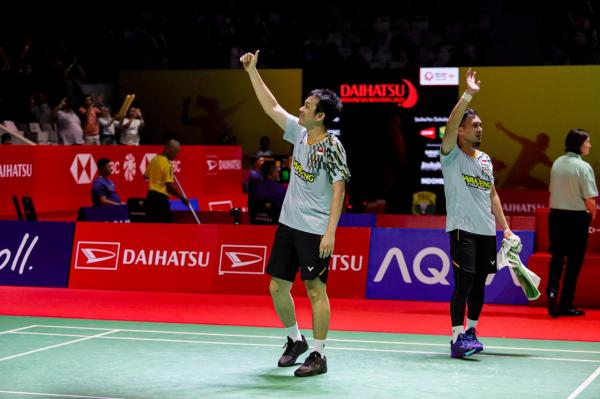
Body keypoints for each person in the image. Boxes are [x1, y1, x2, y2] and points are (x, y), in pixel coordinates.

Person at [241, 50, 350, 377]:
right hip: (288, 224)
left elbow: (339, 189)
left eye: (307, 106)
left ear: (320, 116)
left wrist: (330, 231)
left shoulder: (332, 147)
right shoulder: (299, 133)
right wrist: (252, 71)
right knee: (277, 286)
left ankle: (318, 355)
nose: (300, 108)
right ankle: (295, 340)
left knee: (316, 289)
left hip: (315, 228)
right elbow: (271, 106)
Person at [440, 68, 512, 358]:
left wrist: (505, 228)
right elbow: (450, 123)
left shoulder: (485, 160)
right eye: (474, 125)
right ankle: (456, 337)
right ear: (461, 130)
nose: (480, 129)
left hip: (486, 231)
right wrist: (468, 93)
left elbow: (492, 193)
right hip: (462, 229)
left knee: (480, 283)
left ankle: (471, 330)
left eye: (482, 125)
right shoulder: (451, 155)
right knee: (465, 282)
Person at [546, 129, 597, 317]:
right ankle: (566, 303)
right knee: (574, 262)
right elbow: (590, 199)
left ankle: (551, 290)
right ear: (579, 144)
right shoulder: (583, 168)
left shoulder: (557, 163)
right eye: (587, 142)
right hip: (577, 218)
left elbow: (552, 191)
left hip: (556, 216)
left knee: (557, 258)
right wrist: (591, 216)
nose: (590, 145)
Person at [144, 139, 188, 223]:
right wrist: (182, 198)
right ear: (168, 150)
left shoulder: (154, 159)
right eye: (175, 152)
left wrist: (159, 175)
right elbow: (169, 187)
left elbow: (145, 176)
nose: (176, 155)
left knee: (151, 227)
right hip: (161, 201)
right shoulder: (168, 165)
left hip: (150, 198)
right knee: (166, 227)